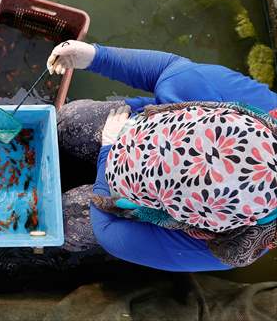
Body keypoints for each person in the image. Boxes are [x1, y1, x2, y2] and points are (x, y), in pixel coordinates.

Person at [46, 40, 277, 271]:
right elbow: (165, 69)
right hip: (127, 127)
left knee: (64, 220)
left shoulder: (219, 246)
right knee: (70, 121)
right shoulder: (235, 100)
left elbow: (107, 232)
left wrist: (107, 152)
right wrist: (96, 57)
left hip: (123, 192)